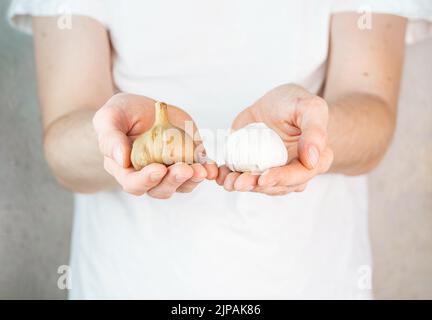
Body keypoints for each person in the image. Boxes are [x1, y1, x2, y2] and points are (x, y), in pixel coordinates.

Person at [8, 0, 432, 299]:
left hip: (311, 282)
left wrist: (309, 134)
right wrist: (119, 143)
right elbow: (64, 149)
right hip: (127, 281)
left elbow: (372, 114)